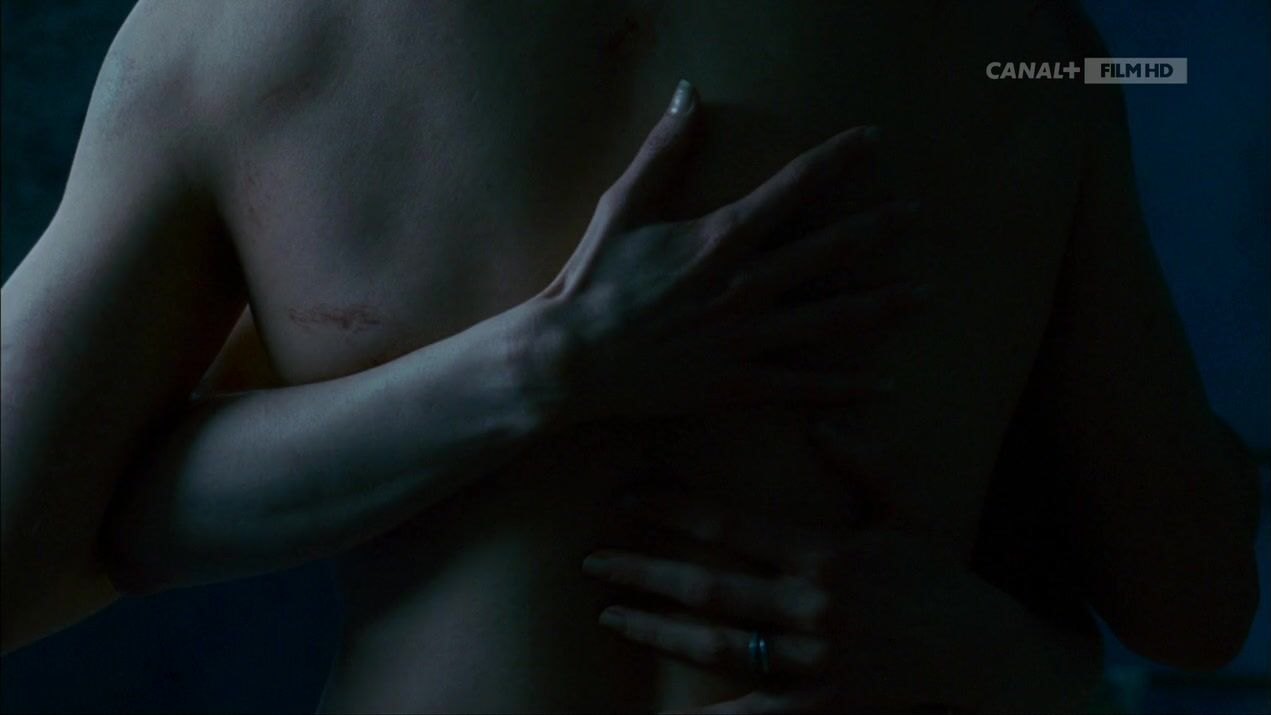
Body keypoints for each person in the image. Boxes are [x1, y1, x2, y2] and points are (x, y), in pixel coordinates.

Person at [1, 0, 1257, 712]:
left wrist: (535, 368)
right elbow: (1194, 608)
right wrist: (1013, 668)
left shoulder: (238, 27)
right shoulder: (1013, 40)